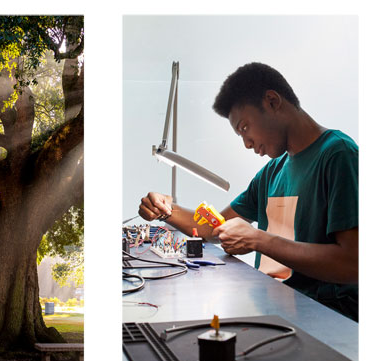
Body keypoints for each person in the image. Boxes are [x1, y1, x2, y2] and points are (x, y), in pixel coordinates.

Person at [138, 62, 358, 321]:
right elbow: (213, 228)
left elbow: (352, 263)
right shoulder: (273, 171)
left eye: (244, 128)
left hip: (328, 322)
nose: (246, 143)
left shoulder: (338, 155)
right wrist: (166, 209)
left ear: (272, 101)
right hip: (273, 311)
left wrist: (258, 240)